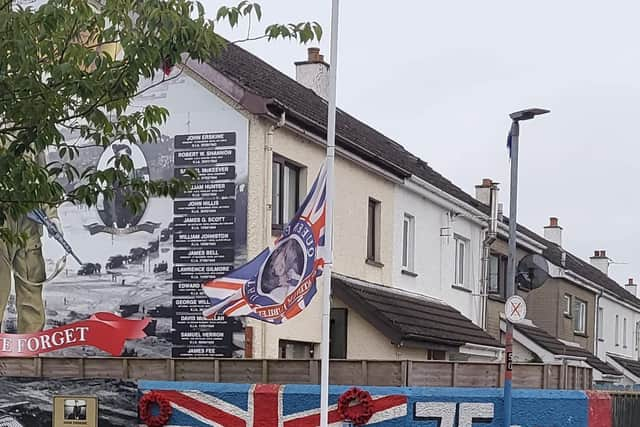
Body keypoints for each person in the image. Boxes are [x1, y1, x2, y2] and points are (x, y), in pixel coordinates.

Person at [0, 153, 61, 333]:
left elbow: (42, 176)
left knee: (31, 291)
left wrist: (51, 214)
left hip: (28, 221)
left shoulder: (32, 130)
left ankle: (29, 353)